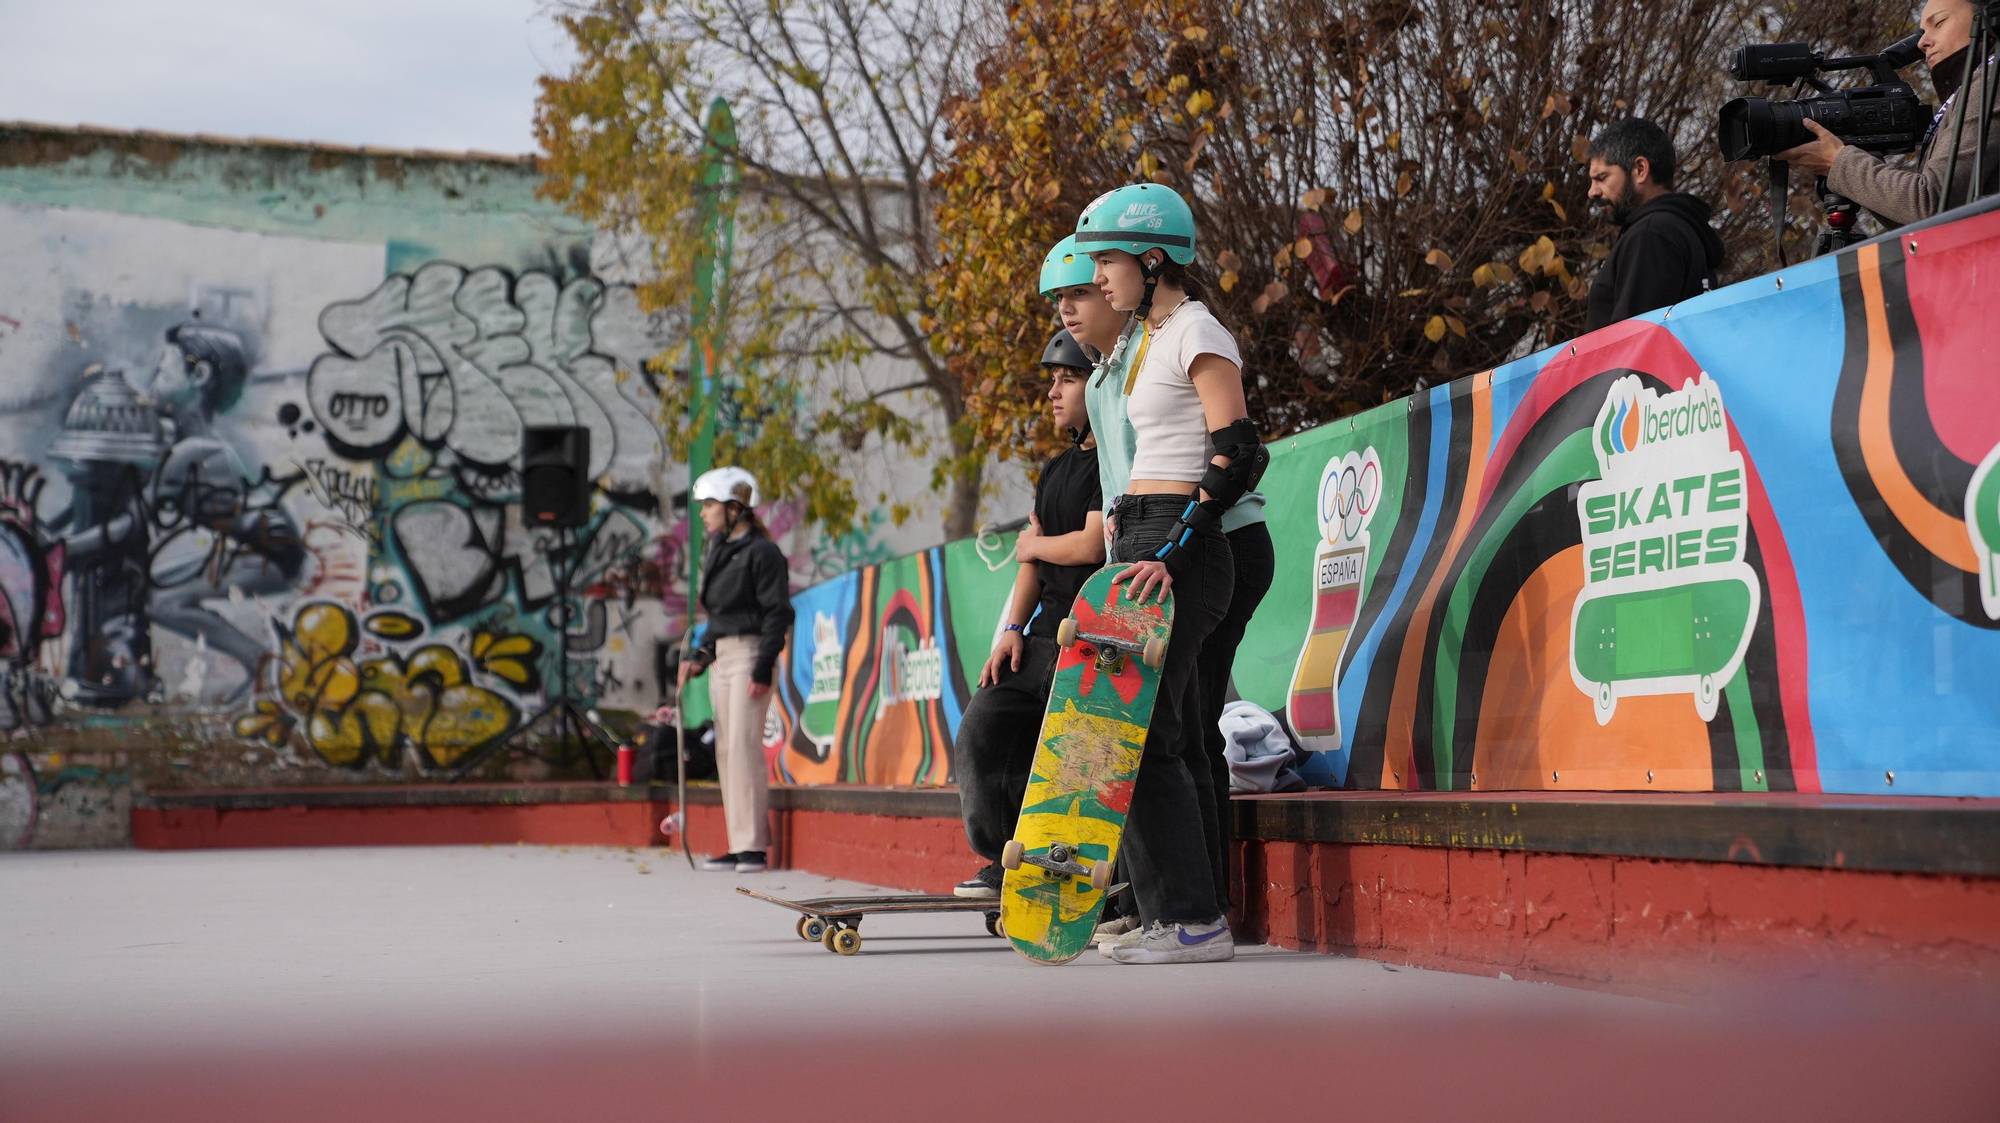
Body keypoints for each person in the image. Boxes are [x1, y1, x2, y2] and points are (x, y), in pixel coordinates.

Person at [1044, 235, 1274, 939]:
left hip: (1194, 540)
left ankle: (1192, 914)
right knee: (1155, 731)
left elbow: (1239, 449)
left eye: (1102, 270)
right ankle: (1170, 909)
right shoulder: (1143, 346)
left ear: (1149, 260)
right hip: (1150, 537)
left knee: (1160, 734)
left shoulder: (1193, 331)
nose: (1094, 283)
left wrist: (1176, 546)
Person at [951, 329, 1104, 897]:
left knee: (1071, 765)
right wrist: (1011, 630)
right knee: (983, 733)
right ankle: (1005, 860)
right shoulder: (1055, 469)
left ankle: (1067, 869)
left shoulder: (1114, 464)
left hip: (1094, 640)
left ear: (1100, 385)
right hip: (1041, 636)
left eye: (1068, 380)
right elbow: (1032, 564)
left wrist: (1033, 546)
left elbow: (1089, 546)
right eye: (1054, 382)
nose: (1054, 393)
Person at [1777, 0, 2000, 226]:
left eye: (1939, 22)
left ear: (1989, 17)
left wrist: (1839, 162)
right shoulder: (1969, 92)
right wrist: (1853, 159)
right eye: (1921, 32)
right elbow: (1922, 227)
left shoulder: (1992, 80)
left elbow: (1931, 202)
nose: (1922, 42)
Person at [678, 467, 794, 874]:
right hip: (723, 657)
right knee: (726, 750)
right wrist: (700, 655)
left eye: (709, 504)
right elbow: (722, 616)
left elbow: (776, 613)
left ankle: (753, 848)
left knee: (745, 748)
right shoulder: (721, 551)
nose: (704, 513)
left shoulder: (763, 553)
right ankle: (738, 841)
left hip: (750, 655)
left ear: (734, 508)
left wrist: (762, 667)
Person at [1582, 118, 1727, 332]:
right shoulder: (1683, 228)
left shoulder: (1651, 234)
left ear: (1640, 169)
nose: (1592, 192)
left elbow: (1631, 345)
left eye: (1602, 178)